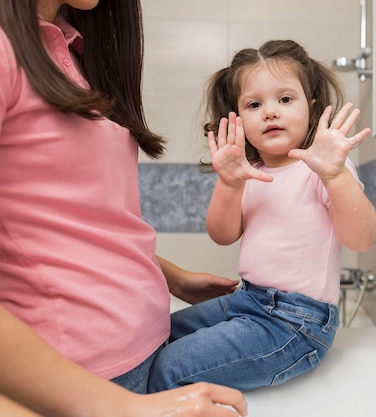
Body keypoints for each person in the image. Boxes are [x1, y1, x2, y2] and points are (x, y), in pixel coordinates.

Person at [0, 1, 247, 416]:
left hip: (137, 357)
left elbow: (73, 219)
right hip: (80, 382)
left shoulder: (72, 50)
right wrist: (123, 409)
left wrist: (168, 275)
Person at [147, 39, 376, 393]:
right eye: (255, 104)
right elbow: (223, 234)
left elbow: (361, 239)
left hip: (294, 323)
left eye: (285, 99)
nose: (270, 112)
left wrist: (335, 176)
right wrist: (229, 182)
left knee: (169, 369)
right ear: (238, 119)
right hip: (248, 300)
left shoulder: (322, 168)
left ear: (311, 106)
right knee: (153, 337)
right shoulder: (247, 170)